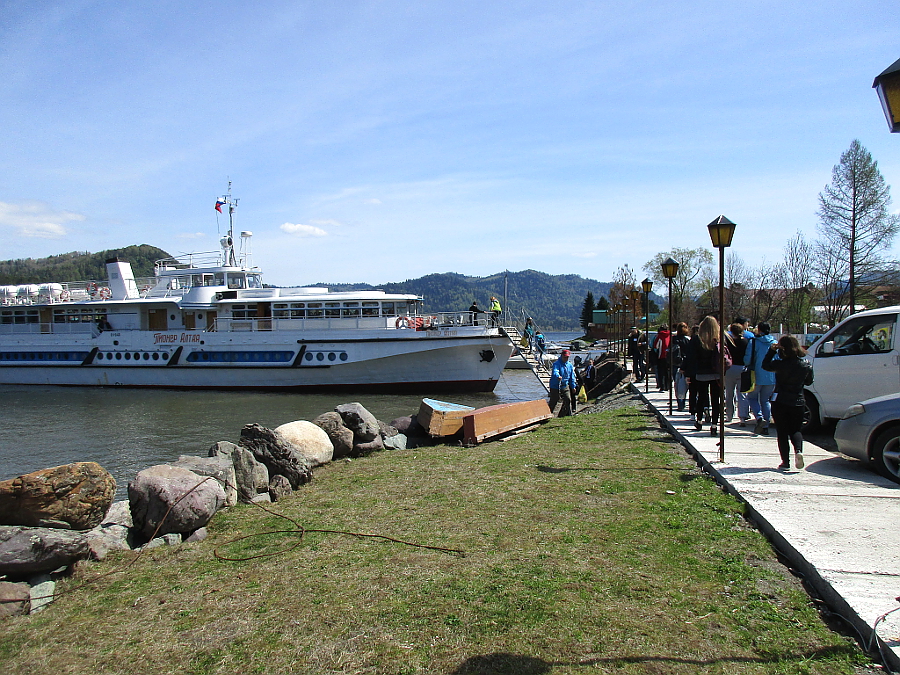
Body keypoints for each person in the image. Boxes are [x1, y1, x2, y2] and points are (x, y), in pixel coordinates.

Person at [762, 335, 814, 470]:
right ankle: (798, 451)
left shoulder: (779, 364)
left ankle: (785, 462)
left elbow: (765, 365)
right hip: (798, 400)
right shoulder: (805, 364)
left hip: (780, 400)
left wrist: (772, 350)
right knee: (796, 430)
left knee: (782, 432)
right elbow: (809, 381)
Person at [691, 315, 731, 436]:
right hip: (716, 373)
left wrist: (690, 372)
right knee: (716, 400)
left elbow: (692, 357)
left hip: (701, 372)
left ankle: (699, 420)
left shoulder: (697, 339)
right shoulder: (720, 338)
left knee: (701, 397)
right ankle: (714, 425)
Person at [744, 321, 777, 435]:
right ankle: (766, 425)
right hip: (771, 376)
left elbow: (747, 359)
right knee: (765, 400)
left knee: (752, 397)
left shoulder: (754, 342)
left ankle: (759, 418)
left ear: (759, 329)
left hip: (756, 375)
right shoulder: (775, 343)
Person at [723, 323, 749, 424]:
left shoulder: (728, 342)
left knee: (729, 393)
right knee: (742, 394)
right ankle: (742, 417)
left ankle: (729, 415)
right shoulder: (746, 342)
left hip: (730, 368)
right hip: (742, 368)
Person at [549, 349, 577, 417]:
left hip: (565, 385)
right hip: (555, 385)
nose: (566, 358)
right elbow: (555, 371)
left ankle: (561, 415)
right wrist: (558, 376)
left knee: (568, 399)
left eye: (567, 357)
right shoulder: (556, 364)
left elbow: (572, 377)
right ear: (561, 356)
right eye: (565, 357)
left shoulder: (570, 365)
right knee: (554, 400)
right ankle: (548, 414)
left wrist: (573, 386)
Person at [670, 322, 691, 411]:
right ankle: (691, 403)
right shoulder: (688, 340)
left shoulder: (673, 339)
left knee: (678, 385)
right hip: (687, 364)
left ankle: (680, 404)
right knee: (688, 385)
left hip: (676, 364)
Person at [651, 324, 671, 391]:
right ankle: (667, 386)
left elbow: (656, 346)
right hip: (669, 356)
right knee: (667, 372)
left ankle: (662, 386)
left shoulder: (659, 336)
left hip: (661, 355)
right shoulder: (670, 335)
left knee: (661, 372)